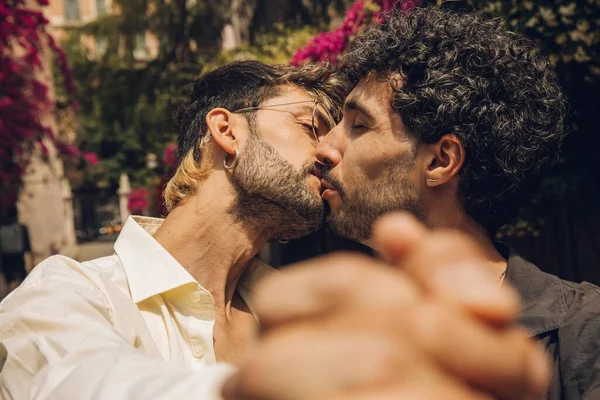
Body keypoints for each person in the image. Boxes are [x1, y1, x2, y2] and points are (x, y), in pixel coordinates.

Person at [0, 60, 547, 399]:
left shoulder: (309, 322)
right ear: (226, 130)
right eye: (310, 125)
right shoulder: (68, 293)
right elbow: (80, 385)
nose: (332, 152)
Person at [302, 6, 595, 399]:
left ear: (441, 161)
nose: (324, 146)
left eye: (358, 125)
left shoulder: (584, 332)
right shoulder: (336, 337)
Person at [0, 206, 32, 292]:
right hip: (18, 256)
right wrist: (31, 259)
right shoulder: (21, 228)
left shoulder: (2, 229)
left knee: (11, 282)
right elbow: (27, 246)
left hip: (6, 257)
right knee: (22, 281)